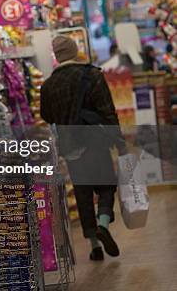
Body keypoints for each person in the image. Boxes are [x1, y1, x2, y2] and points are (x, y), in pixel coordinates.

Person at [40, 35, 123, 261]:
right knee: (106, 186)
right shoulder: (92, 75)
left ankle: (95, 246)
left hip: (70, 147)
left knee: (83, 193)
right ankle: (103, 224)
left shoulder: (48, 85)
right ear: (75, 51)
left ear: (56, 56)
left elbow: (46, 116)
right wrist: (119, 142)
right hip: (95, 141)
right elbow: (108, 110)